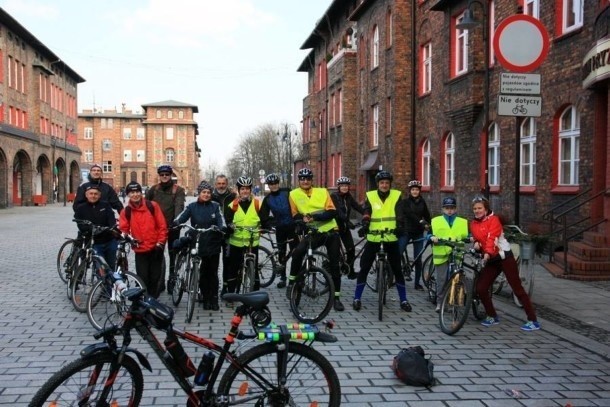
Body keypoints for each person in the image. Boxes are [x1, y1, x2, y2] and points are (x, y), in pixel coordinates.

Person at [470, 195, 541, 331]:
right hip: (491, 259)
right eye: (475, 209)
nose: (477, 211)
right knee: (481, 288)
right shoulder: (473, 224)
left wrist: (487, 253)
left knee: (517, 289)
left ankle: (533, 320)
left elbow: (492, 239)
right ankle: (492, 315)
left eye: (479, 208)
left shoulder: (494, 220)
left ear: (486, 209)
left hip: (504, 257)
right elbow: (479, 238)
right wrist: (477, 244)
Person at [352, 170, 412, 312]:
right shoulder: (371, 196)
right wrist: (365, 224)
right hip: (374, 237)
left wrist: (400, 226)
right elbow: (367, 211)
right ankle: (356, 298)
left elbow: (400, 213)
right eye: (382, 183)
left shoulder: (396, 195)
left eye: (387, 183)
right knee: (364, 268)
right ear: (378, 184)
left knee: (397, 270)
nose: (384, 185)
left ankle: (403, 300)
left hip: (391, 237)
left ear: (390, 184)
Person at [288, 168, 345, 311]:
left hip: (330, 231)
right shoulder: (293, 194)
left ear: (312, 180)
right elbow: (295, 214)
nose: (305, 181)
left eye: (308, 178)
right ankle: (292, 283)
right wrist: (301, 221)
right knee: (298, 253)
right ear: (299, 180)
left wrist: (314, 217)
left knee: (334, 265)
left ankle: (336, 298)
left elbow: (332, 212)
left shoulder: (323, 192)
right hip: (313, 232)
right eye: (302, 179)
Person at [174, 182, 226, 311]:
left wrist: (222, 227)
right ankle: (205, 298)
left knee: (213, 273)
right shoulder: (192, 206)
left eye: (208, 192)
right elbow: (182, 216)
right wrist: (176, 222)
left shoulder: (215, 206)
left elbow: (221, 219)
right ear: (199, 193)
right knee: (202, 272)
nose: (206, 195)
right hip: (198, 242)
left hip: (213, 242)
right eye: (204, 192)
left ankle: (213, 298)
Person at [118, 181, 167, 299]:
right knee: (142, 277)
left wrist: (160, 243)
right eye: (132, 192)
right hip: (140, 250)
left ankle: (153, 300)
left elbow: (162, 226)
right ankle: (145, 301)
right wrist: (126, 237)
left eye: (137, 192)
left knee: (155, 278)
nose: (135, 195)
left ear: (141, 192)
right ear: (128, 194)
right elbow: (123, 229)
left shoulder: (152, 206)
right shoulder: (127, 211)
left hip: (155, 247)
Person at [145, 164, 186, 294]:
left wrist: (176, 221)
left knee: (173, 254)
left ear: (170, 176)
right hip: (157, 229)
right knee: (158, 255)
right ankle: (159, 282)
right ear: (159, 176)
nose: (164, 177)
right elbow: (146, 206)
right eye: (162, 175)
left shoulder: (177, 190)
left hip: (172, 228)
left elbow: (179, 206)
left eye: (167, 175)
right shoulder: (153, 190)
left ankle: (172, 280)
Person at [428, 197, 469, 311]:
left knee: (456, 278)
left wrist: (470, 238)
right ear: (443, 209)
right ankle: (440, 302)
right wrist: (432, 237)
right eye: (447, 208)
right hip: (441, 253)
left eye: (452, 208)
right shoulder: (436, 221)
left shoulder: (462, 221)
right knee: (441, 279)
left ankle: (453, 301)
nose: (449, 211)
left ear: (455, 209)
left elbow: (468, 234)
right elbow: (428, 234)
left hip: (456, 252)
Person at [224, 176, 261, 296]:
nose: (245, 191)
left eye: (247, 189)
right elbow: (227, 220)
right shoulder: (232, 205)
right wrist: (230, 226)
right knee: (233, 269)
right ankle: (231, 294)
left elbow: (264, 219)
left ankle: (255, 294)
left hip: (252, 242)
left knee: (254, 269)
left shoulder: (256, 204)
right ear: (238, 190)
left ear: (250, 190)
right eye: (242, 189)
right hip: (236, 243)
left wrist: (268, 225)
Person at [258, 173, 297, 288]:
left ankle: (295, 277)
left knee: (296, 253)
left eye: (275, 183)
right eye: (271, 184)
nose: (273, 186)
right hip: (280, 228)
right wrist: (270, 224)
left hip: (293, 227)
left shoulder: (287, 192)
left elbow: (297, 205)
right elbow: (263, 216)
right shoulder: (267, 199)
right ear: (268, 186)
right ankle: (283, 278)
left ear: (278, 183)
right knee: (282, 254)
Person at [73, 184, 119, 271]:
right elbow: (81, 225)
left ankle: (111, 282)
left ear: (99, 195)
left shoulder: (105, 205)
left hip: (108, 239)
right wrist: (91, 230)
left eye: (95, 194)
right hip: (94, 241)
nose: (93, 196)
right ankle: (102, 282)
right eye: (91, 194)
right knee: (100, 267)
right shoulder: (81, 208)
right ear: (86, 195)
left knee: (111, 265)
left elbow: (111, 219)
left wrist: (111, 228)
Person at [396, 179, 432, 290]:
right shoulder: (405, 202)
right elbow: (410, 214)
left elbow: (427, 215)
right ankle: (394, 278)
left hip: (418, 232)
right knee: (397, 254)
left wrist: (431, 225)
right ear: (410, 191)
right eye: (413, 190)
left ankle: (417, 283)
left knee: (418, 258)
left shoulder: (422, 202)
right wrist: (421, 222)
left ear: (419, 191)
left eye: (417, 189)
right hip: (406, 231)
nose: (415, 191)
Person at [330, 176, 363, 279]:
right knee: (335, 252)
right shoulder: (334, 196)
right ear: (339, 187)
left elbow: (357, 207)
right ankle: (332, 273)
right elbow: (338, 212)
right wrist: (347, 221)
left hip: (344, 228)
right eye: (342, 186)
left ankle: (350, 270)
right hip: (335, 227)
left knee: (351, 249)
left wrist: (367, 214)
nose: (344, 188)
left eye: (346, 186)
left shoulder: (349, 197)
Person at [212, 174, 237, 294]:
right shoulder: (210, 196)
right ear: (215, 184)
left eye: (223, 183)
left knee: (227, 262)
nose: (221, 186)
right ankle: (212, 288)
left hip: (228, 233)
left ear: (226, 184)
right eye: (219, 183)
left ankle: (225, 287)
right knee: (213, 263)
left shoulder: (232, 196)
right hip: (215, 233)